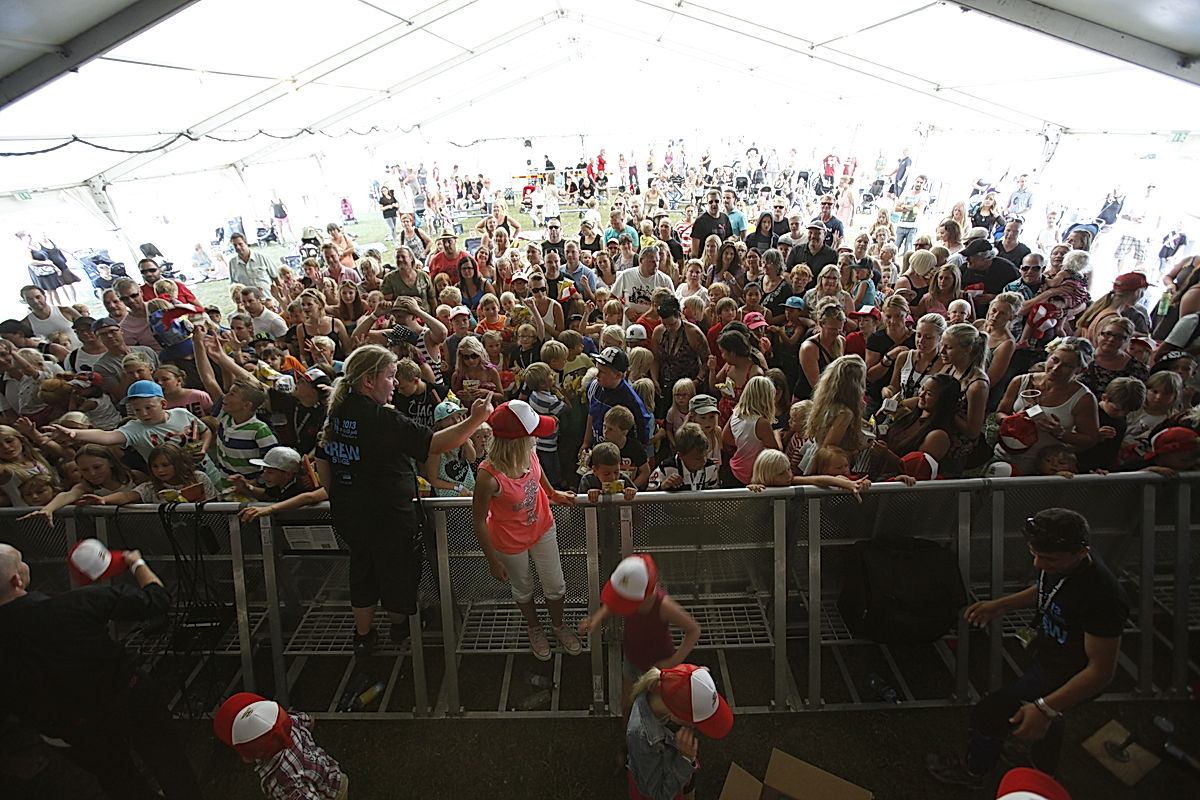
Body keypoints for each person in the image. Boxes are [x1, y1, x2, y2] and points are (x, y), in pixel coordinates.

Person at [927, 509, 1128, 787]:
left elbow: (1100, 672)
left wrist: (1045, 707)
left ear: (1081, 553)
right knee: (1047, 720)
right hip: (1048, 654)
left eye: (1048, 559)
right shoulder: (1063, 566)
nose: (1039, 563)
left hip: (1068, 673)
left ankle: (973, 771)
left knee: (990, 712)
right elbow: (1048, 591)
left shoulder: (1104, 598)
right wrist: (1001, 605)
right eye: (1035, 554)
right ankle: (1042, 772)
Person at [316, 344, 490, 657]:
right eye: (390, 376)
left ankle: (364, 636)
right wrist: (476, 419)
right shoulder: (381, 419)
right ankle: (399, 628)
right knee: (396, 575)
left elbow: (323, 460)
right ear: (369, 380)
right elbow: (436, 443)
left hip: (349, 512)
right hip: (387, 516)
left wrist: (337, 495)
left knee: (363, 570)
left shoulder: (338, 411)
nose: (395, 383)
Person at [0, 541, 202, 799]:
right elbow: (156, 600)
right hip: (130, 699)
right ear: (17, 579)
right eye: (21, 561)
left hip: (73, 727)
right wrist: (136, 563)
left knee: (118, 780)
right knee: (170, 765)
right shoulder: (75, 604)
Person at [472, 400, 581, 661]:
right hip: (509, 542)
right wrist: (492, 560)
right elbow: (478, 520)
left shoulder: (529, 451)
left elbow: (538, 471)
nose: (536, 437)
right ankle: (534, 628)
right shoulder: (488, 477)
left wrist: (553, 493)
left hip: (542, 526)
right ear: (516, 440)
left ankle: (557, 625)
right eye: (531, 432)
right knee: (523, 588)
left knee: (556, 585)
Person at [579, 554, 701, 724]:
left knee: (657, 708)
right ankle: (628, 735)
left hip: (658, 666)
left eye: (625, 601)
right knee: (627, 703)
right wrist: (596, 620)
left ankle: (651, 740)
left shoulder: (663, 606)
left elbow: (694, 630)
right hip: (632, 656)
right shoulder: (633, 594)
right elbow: (612, 604)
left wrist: (674, 661)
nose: (621, 604)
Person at [625, 663, 733, 800]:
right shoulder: (640, 737)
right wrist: (686, 759)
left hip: (679, 766)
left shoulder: (672, 683)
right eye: (696, 723)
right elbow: (659, 794)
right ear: (675, 717)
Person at [994, 337, 1100, 474]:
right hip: (1004, 457)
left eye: (1067, 366)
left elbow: (1090, 439)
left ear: (1080, 370)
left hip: (1045, 467)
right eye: (1054, 360)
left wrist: (1060, 433)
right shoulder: (1021, 381)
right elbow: (999, 414)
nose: (1056, 368)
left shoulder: (1084, 398)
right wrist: (1014, 420)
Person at [214, 691, 346, 800]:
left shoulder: (282, 782)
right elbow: (309, 720)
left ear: (247, 757)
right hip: (331, 774)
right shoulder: (288, 720)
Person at [229, 232, 283, 303]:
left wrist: (282, 297)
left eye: (240, 244)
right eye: (235, 245)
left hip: (268, 300)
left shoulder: (262, 257)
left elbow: (277, 278)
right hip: (249, 304)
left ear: (246, 243)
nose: (238, 247)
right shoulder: (232, 263)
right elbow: (233, 287)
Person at [689, 189, 734, 258]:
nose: (714, 204)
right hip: (704, 259)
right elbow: (695, 249)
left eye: (716, 201)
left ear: (721, 201)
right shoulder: (700, 221)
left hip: (720, 260)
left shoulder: (725, 218)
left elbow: (726, 242)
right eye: (710, 202)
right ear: (707, 203)